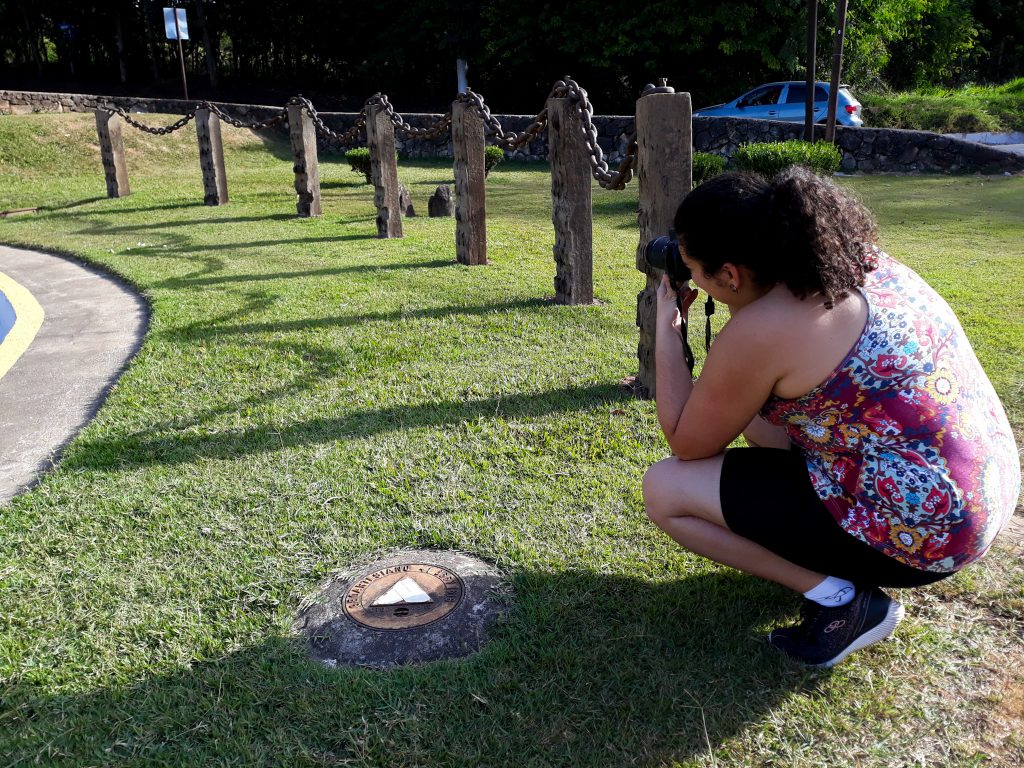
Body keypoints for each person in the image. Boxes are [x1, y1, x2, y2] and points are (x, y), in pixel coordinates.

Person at [642, 167, 1021, 667]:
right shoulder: (853, 263)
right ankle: (832, 556)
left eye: (696, 271)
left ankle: (845, 601)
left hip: (928, 535)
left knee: (667, 489)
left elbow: (687, 444)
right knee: (762, 427)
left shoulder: (766, 328)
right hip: (979, 494)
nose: (696, 282)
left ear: (730, 274)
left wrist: (668, 329)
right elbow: (763, 413)